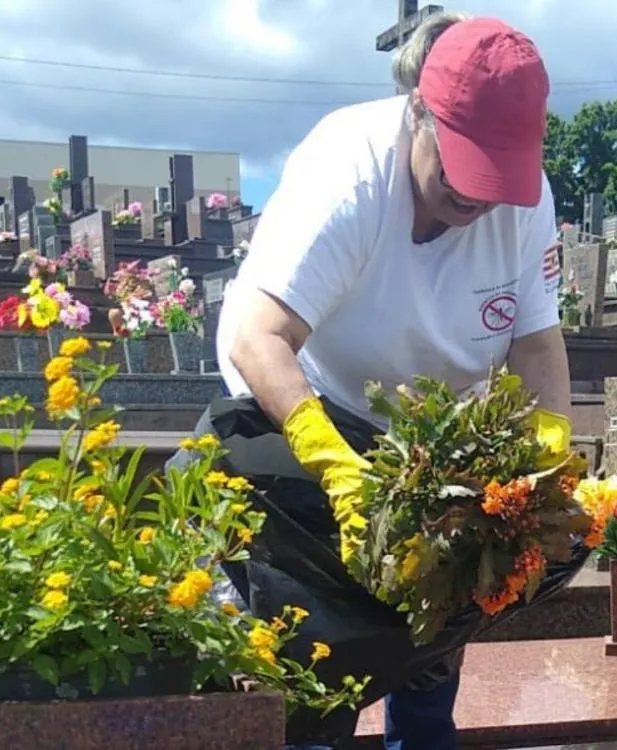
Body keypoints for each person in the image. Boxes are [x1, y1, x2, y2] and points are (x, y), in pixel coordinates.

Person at [212, 12, 572, 750]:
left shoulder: (526, 203)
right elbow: (258, 336)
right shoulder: (346, 172)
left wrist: (549, 459)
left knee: (428, 667)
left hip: (431, 445)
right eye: (462, 170)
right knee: (320, 680)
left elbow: (537, 348)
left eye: (495, 180)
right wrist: (337, 469)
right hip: (308, 419)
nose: (476, 200)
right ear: (420, 112)